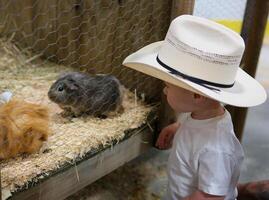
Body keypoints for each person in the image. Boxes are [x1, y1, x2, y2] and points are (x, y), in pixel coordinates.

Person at [122, 15, 267, 200]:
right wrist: (179, 129)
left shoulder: (216, 148)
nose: (165, 91)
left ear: (197, 95)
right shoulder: (204, 116)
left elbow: (211, 196)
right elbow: (200, 133)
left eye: (168, 86)